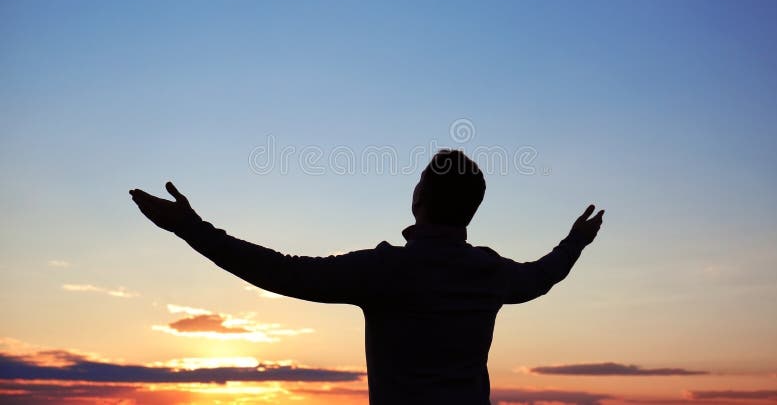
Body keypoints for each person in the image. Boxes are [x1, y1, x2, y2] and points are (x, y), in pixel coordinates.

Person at [130, 149, 604, 405]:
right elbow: (543, 277)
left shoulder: (385, 270)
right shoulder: (490, 273)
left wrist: (189, 228)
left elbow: (278, 271)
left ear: (418, 198)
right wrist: (575, 242)